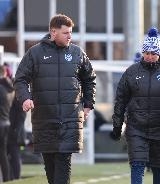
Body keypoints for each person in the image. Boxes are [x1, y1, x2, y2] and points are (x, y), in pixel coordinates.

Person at [14, 14, 96, 184]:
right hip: (44, 119)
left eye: (71, 32)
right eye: (65, 32)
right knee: (50, 166)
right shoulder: (35, 53)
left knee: (63, 162)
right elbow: (20, 79)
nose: (69, 36)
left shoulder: (77, 53)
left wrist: (88, 104)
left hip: (70, 119)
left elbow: (90, 79)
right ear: (53, 32)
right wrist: (25, 98)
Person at [110, 27, 160, 184]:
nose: (150, 56)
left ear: (159, 54)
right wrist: (117, 124)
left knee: (159, 167)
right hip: (137, 128)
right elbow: (120, 100)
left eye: (153, 53)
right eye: (147, 53)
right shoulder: (131, 72)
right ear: (143, 53)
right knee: (137, 165)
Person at [0, 65, 14, 182]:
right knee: (3, 153)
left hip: (1, 123)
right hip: (6, 123)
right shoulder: (10, 89)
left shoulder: (1, 88)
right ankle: (6, 178)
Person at [7, 97, 27, 180]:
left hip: (16, 135)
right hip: (9, 133)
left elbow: (21, 117)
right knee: (8, 157)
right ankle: (10, 177)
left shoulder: (17, 100)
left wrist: (16, 131)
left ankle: (16, 178)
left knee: (15, 156)